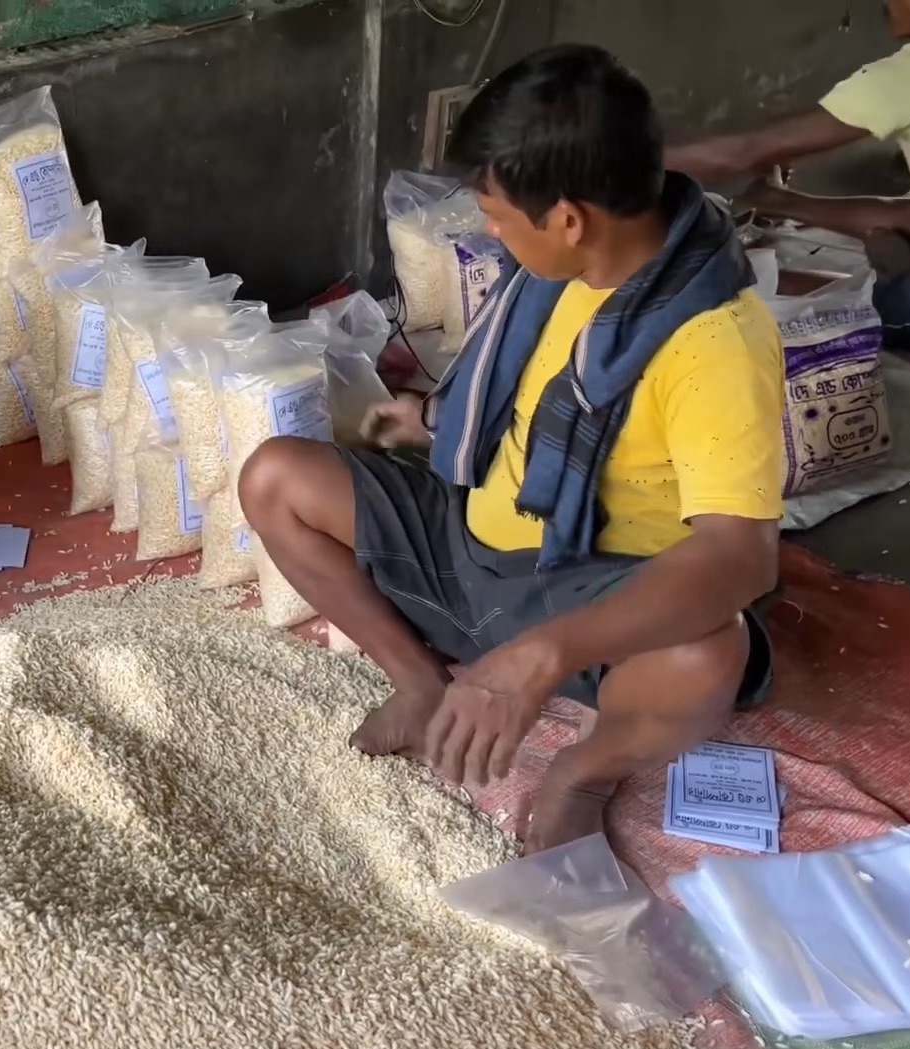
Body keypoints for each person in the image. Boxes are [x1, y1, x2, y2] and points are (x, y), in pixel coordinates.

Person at [240, 45, 785, 850]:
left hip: (585, 591)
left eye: (496, 215)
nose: (487, 230)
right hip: (472, 538)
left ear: (568, 219)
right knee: (275, 477)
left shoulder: (715, 344)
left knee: (714, 651)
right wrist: (435, 422)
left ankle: (584, 772)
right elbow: (532, 402)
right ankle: (420, 678)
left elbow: (741, 559)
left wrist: (539, 657)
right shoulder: (566, 270)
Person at [667, 0, 910, 368]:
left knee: (780, 302)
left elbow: (744, 153)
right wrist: (780, 201)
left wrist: (621, 166)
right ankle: (785, 204)